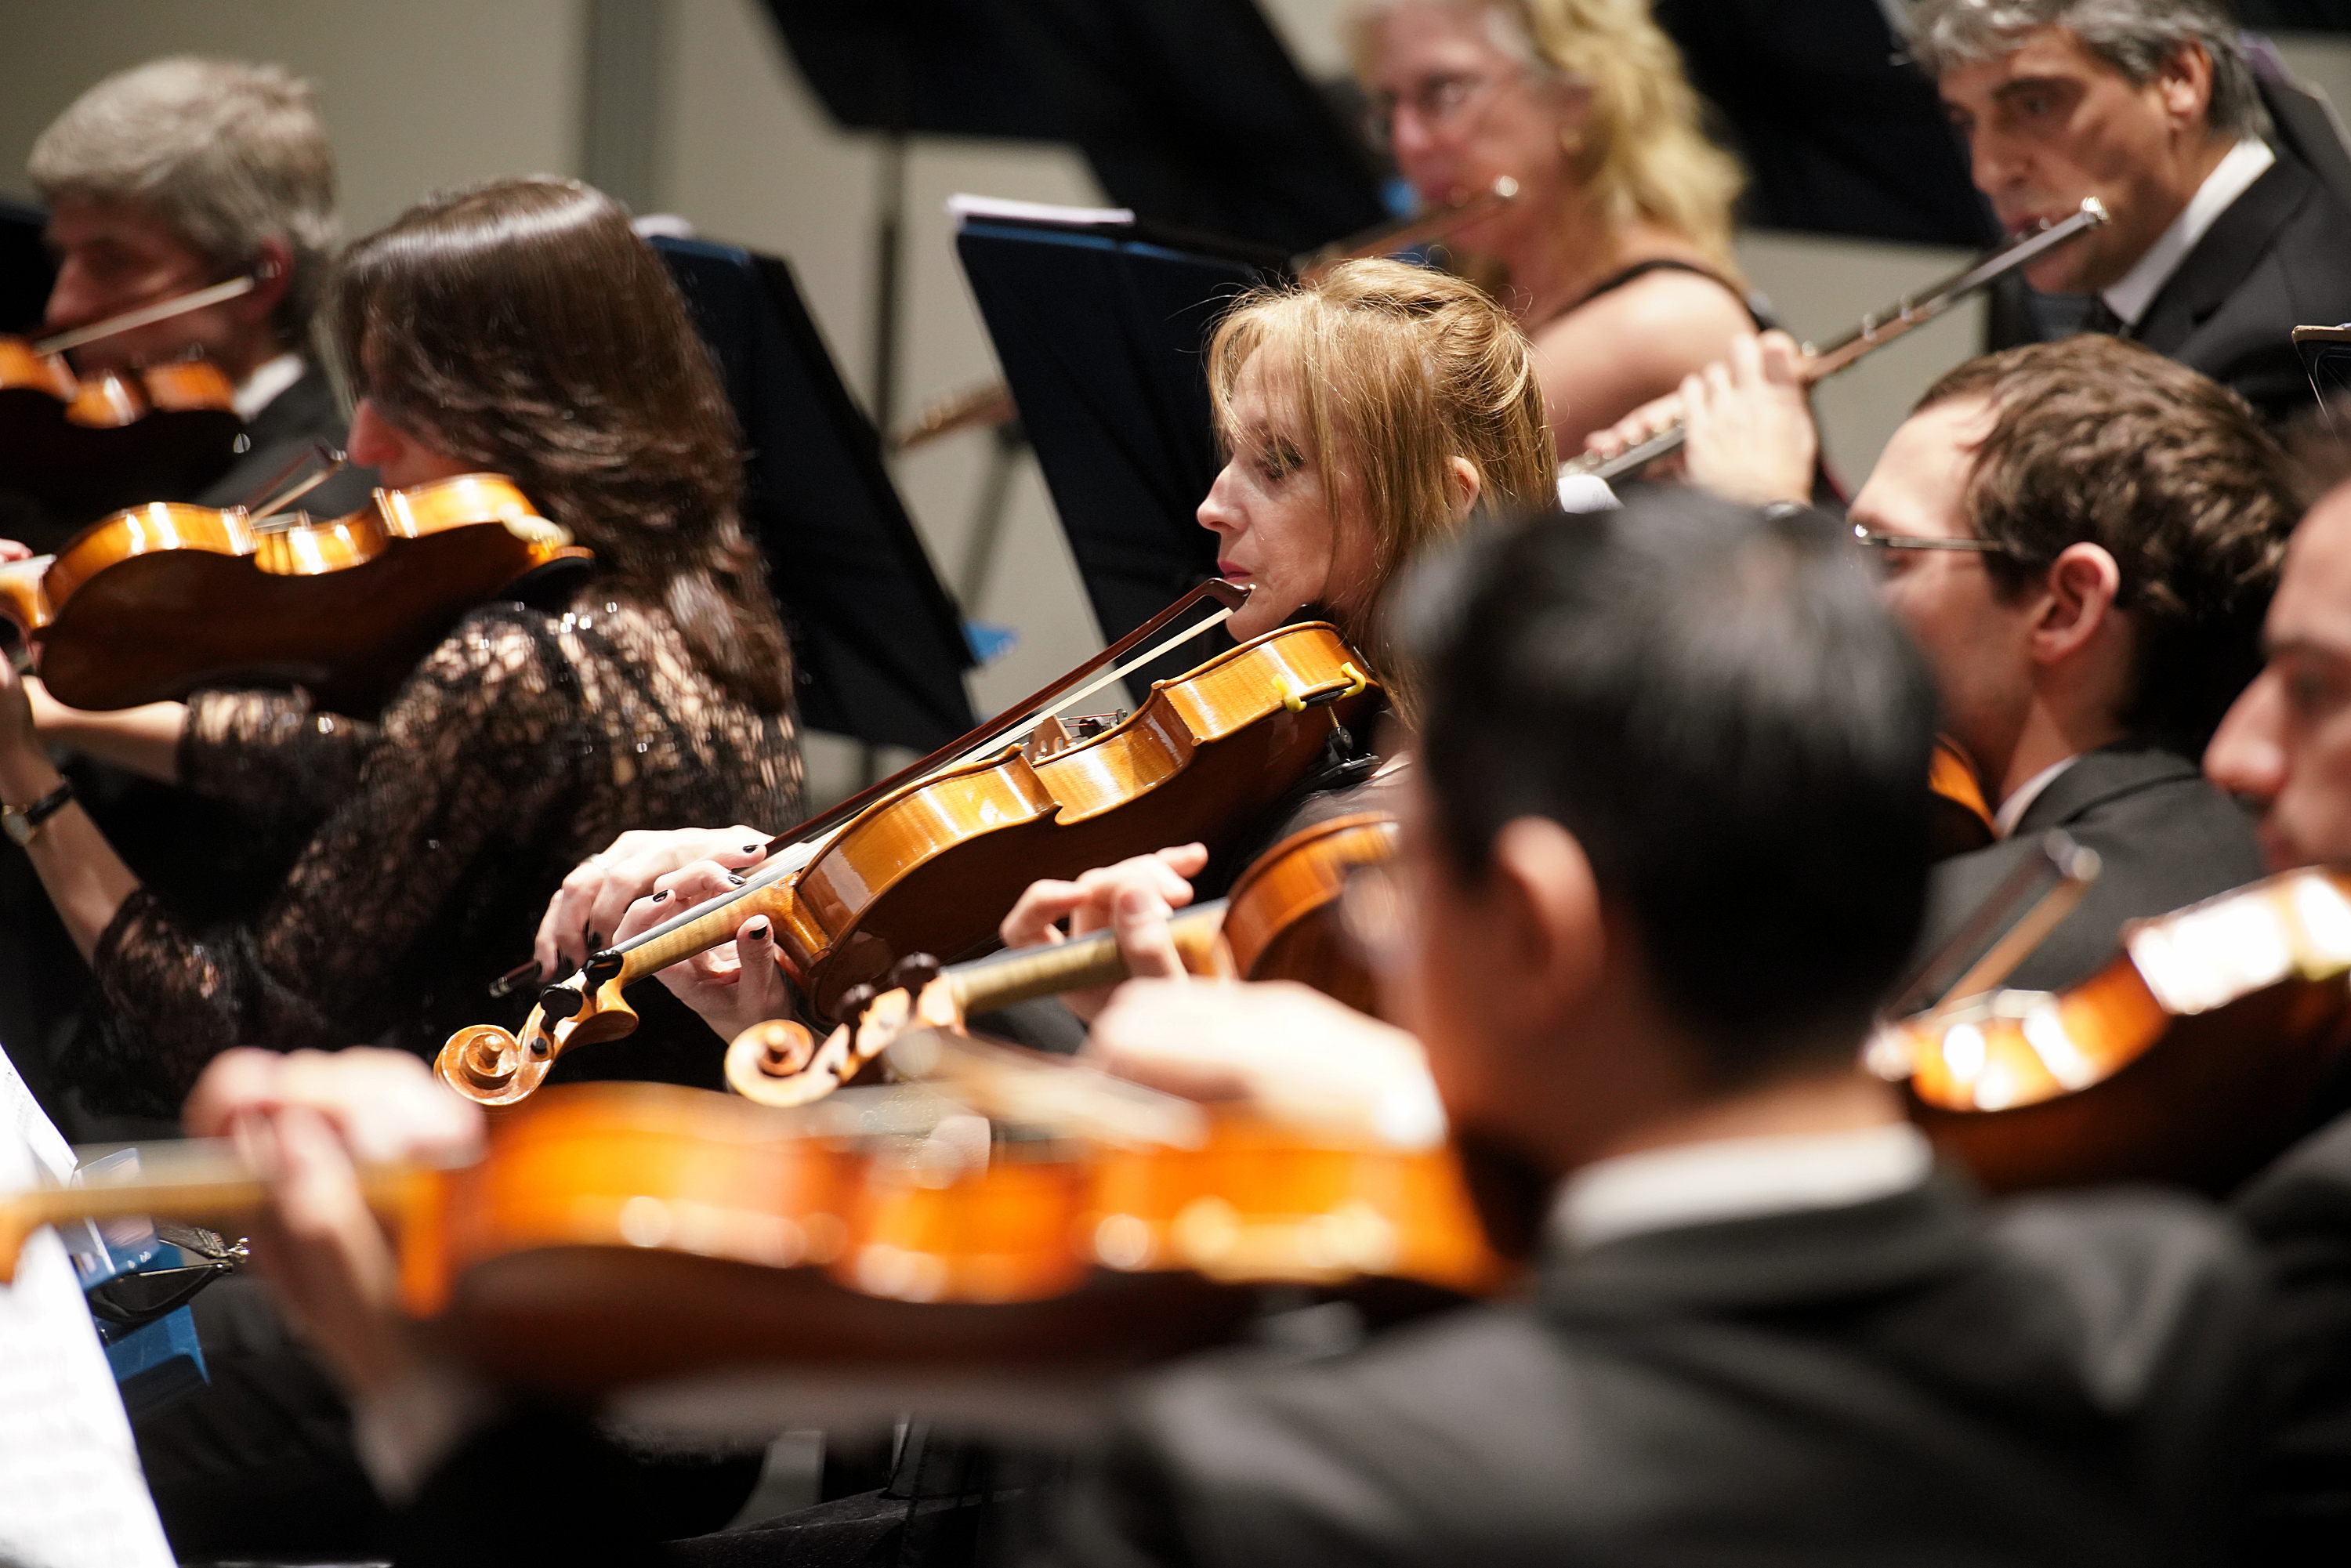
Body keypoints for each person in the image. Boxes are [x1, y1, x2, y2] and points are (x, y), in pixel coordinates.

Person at [179, 491, 2270, 1566]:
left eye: (1407, 868)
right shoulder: (2156, 1321)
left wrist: (437, 1406)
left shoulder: (1285, 1491)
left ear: (1533, 924)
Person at [5, 176, 805, 1560]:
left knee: (36, 1423)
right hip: (666, 1317)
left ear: (527, 403)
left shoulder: (516, 662)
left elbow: (230, 1026)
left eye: (399, 399)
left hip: (514, 1356)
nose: (362, 441)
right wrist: (64, 706)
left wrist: (24, 785)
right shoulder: (705, 598)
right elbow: (352, 759)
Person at [560, 258, 1557, 1043]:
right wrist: (782, 972)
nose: (1214, 504)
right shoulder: (1297, 741)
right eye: (1229, 456)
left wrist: (849, 1020)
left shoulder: (1406, 849)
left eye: (1278, 466)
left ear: (1448, 503)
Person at [1603, 329, 2293, 995]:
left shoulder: (1966, 946)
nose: (1852, 593)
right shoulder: (2276, 864)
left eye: (1886, 554)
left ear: (2065, 607)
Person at [1909, 0, 2351, 425]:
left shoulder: (2278, 352)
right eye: (1968, 122)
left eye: (2036, 105)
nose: (1987, 172)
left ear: (2180, 79)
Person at [1348, 0, 1758, 456]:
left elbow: (1395, 478)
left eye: (1443, 92)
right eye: (1389, 107)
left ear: (1574, 93)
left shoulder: (1666, 318)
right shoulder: (1487, 277)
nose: (1409, 143)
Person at [24, 56, 374, 531]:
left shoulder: (314, 503)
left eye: (111, 264)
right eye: (62, 260)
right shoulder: (75, 460)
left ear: (258, 280)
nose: (62, 307)